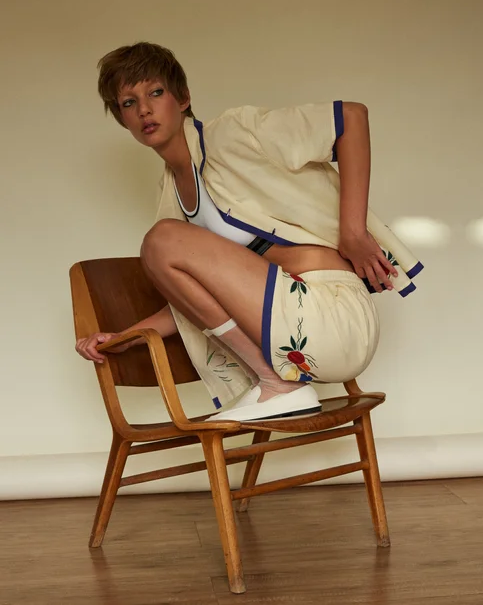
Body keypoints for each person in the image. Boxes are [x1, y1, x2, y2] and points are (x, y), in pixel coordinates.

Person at [75, 42, 423, 422]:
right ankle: (274, 384)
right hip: (293, 337)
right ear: (122, 118)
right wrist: (124, 338)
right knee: (162, 241)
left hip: (333, 315)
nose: (144, 109)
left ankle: (275, 384)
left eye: (155, 93)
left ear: (183, 98)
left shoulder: (232, 133)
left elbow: (351, 118)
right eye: (129, 102)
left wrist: (353, 234)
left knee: (161, 240)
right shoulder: (171, 196)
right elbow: (198, 300)